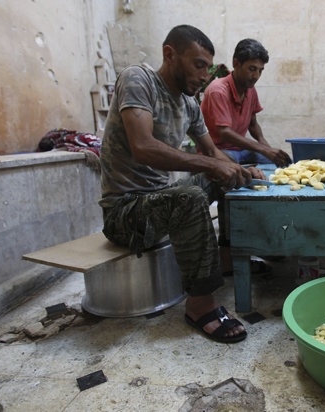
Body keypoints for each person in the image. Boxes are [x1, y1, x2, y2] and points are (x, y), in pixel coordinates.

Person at [98, 25, 265, 343]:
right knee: (189, 195)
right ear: (169, 55)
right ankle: (200, 303)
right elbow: (143, 147)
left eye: (208, 68)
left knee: (227, 178)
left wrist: (242, 171)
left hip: (158, 201)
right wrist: (213, 164)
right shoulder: (139, 79)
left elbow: (213, 152)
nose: (205, 75)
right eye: (198, 64)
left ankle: (226, 258)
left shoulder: (189, 105)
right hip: (125, 213)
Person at [201, 38, 291, 167]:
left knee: (281, 164)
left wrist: (267, 148)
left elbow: (253, 125)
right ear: (236, 64)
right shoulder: (218, 90)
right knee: (235, 170)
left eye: (260, 70)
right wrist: (263, 149)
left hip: (241, 150)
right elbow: (225, 133)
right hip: (218, 151)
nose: (256, 76)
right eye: (252, 69)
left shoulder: (250, 90)